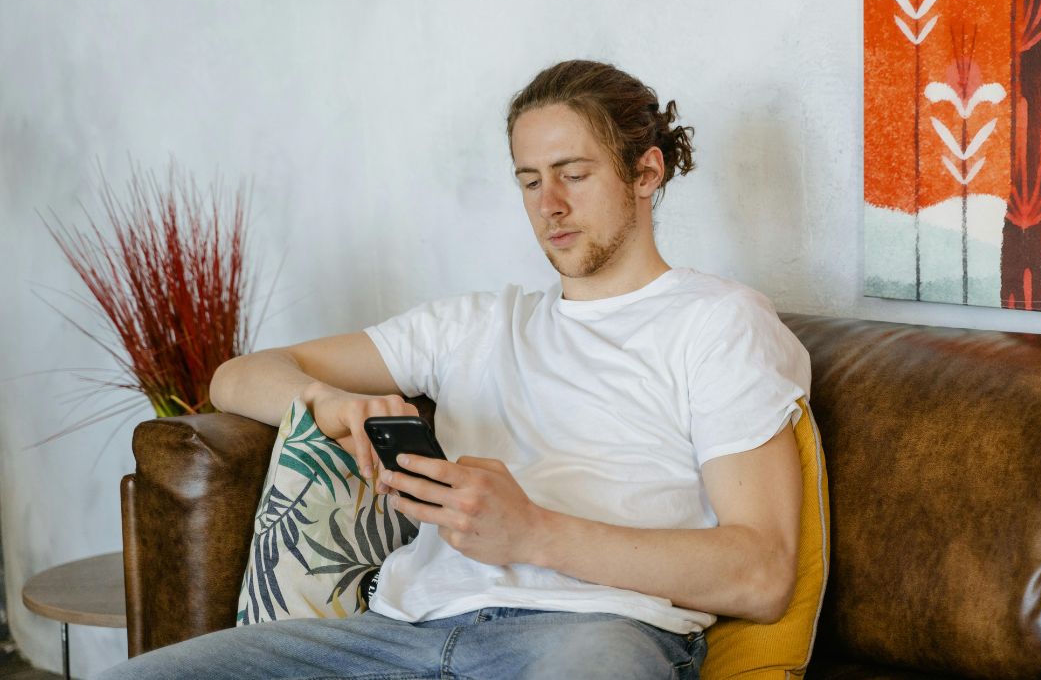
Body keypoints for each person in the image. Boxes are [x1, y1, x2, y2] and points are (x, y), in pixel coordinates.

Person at [101, 59, 811, 679]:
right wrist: (330, 402)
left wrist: (533, 532)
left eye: (573, 174)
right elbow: (235, 376)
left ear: (645, 172)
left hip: (589, 636)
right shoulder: (473, 324)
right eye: (529, 181)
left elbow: (759, 573)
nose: (549, 206)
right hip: (398, 635)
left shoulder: (717, 322)